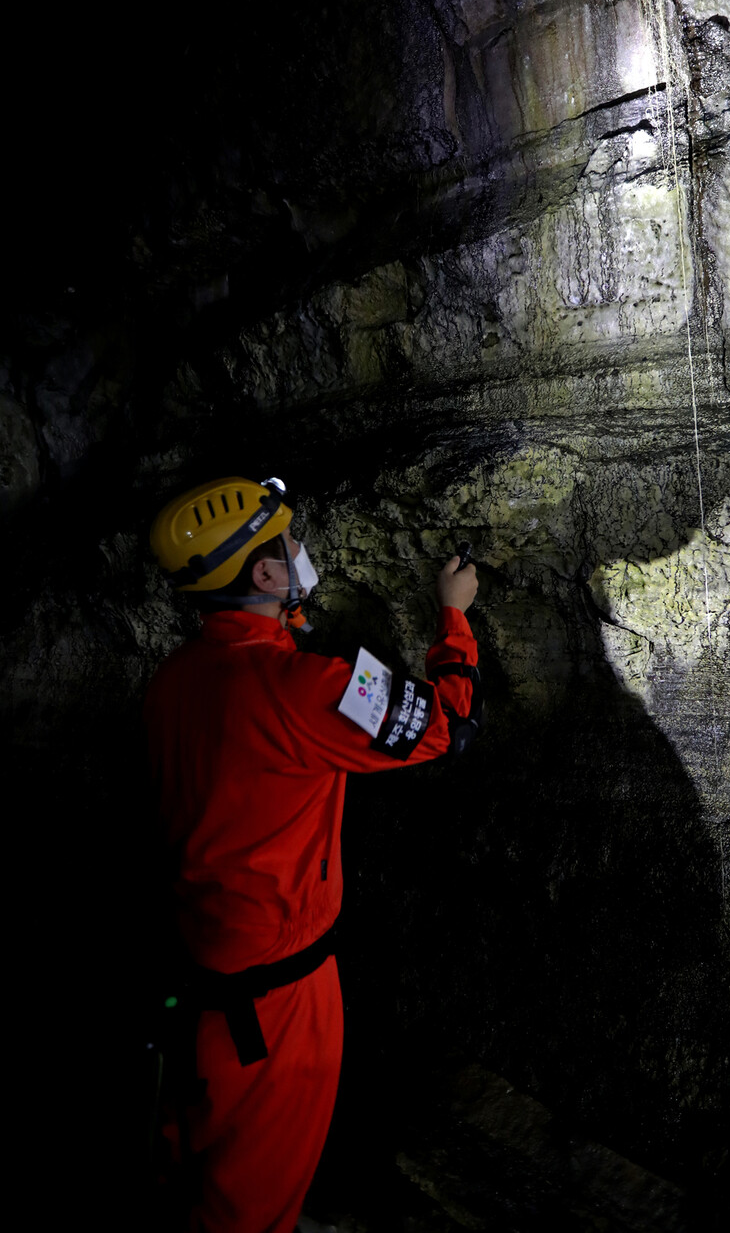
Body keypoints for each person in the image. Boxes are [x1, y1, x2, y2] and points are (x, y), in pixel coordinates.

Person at [144, 475, 479, 1233]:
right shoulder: (301, 688)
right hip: (277, 1009)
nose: (302, 551)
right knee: (250, 1210)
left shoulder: (173, 682)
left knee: (191, 1180)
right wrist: (453, 614)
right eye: (290, 542)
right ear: (264, 575)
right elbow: (449, 725)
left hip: (197, 989)